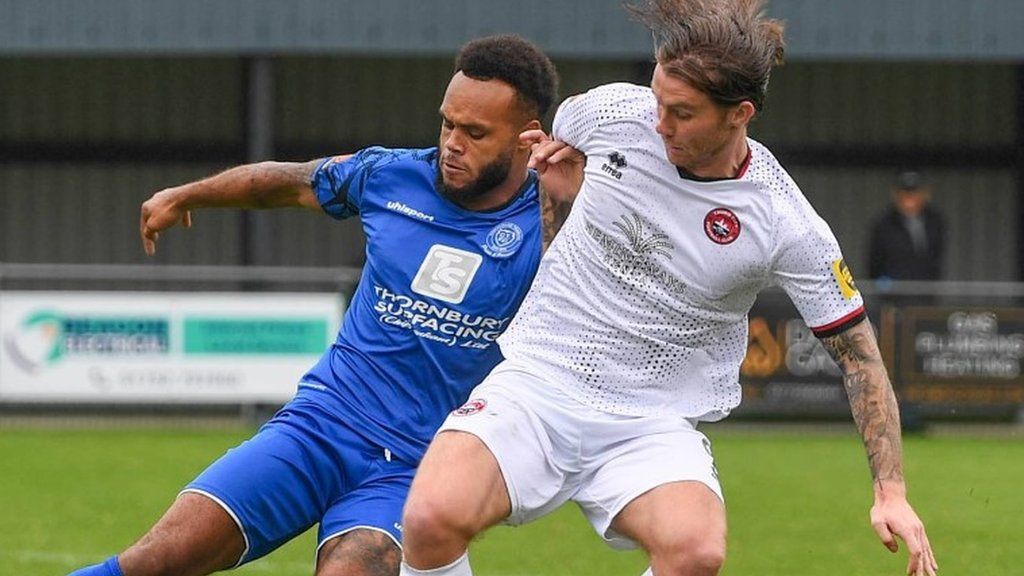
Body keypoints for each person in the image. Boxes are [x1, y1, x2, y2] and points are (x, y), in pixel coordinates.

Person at [399, 2, 938, 576]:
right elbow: (552, 181)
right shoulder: (605, 112)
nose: (659, 123)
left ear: (740, 114)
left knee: (696, 551)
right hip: (540, 382)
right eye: (657, 100)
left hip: (651, 420)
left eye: (681, 112)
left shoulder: (785, 222)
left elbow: (859, 357)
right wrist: (559, 196)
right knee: (431, 516)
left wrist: (891, 491)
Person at [68, 35, 561, 576]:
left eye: (475, 133)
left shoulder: (554, 223)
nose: (451, 143)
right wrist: (186, 195)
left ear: (526, 140)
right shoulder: (389, 175)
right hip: (321, 424)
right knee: (155, 560)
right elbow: (284, 184)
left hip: (421, 465)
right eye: (447, 123)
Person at [868, 170, 946, 281]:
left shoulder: (935, 222)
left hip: (925, 292)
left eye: (914, 192)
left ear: (925, 194)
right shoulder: (883, 224)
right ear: (895, 194)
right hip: (893, 294)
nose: (909, 198)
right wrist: (884, 286)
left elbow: (935, 260)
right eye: (905, 193)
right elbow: (874, 264)